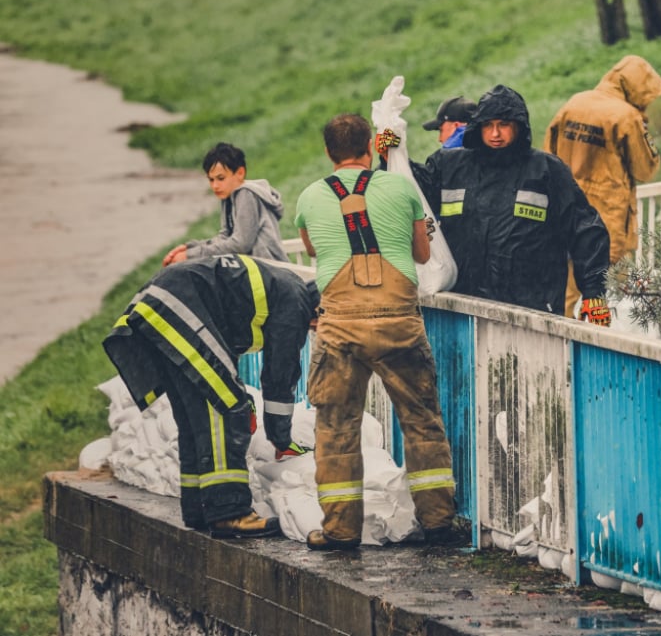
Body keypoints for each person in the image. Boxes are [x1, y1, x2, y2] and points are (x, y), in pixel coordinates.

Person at [295, 113, 458, 550]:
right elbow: (423, 255)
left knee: (335, 428)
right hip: (398, 324)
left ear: (329, 152)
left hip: (340, 328)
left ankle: (340, 530)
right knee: (422, 422)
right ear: (369, 147)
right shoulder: (401, 188)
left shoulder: (310, 197)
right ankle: (440, 522)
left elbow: (313, 248)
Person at [103, 254, 320, 538]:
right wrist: (281, 439)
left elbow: (223, 344)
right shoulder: (296, 303)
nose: (317, 330)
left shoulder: (283, 288)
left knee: (197, 417)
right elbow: (280, 375)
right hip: (178, 304)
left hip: (162, 304)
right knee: (227, 408)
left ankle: (199, 509)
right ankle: (230, 513)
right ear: (322, 307)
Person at [417, 84, 613, 324]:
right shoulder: (450, 167)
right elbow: (408, 190)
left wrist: (594, 294)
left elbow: (585, 230)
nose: (495, 134)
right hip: (462, 309)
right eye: (488, 125)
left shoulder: (547, 171)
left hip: (532, 312)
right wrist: (391, 155)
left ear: (519, 126)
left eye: (503, 125)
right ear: (477, 127)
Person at [544, 55, 661, 317]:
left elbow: (548, 154)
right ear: (637, 89)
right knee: (607, 298)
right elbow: (645, 168)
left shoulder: (575, 102)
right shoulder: (627, 117)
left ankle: (559, 350)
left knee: (564, 295)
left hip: (564, 214)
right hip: (606, 221)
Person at [163, 142, 288, 266]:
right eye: (211, 179)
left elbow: (241, 244)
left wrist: (191, 255)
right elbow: (224, 237)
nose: (215, 186)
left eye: (221, 178)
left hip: (271, 271)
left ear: (240, 173)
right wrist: (190, 248)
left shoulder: (246, 194)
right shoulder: (228, 195)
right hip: (251, 268)